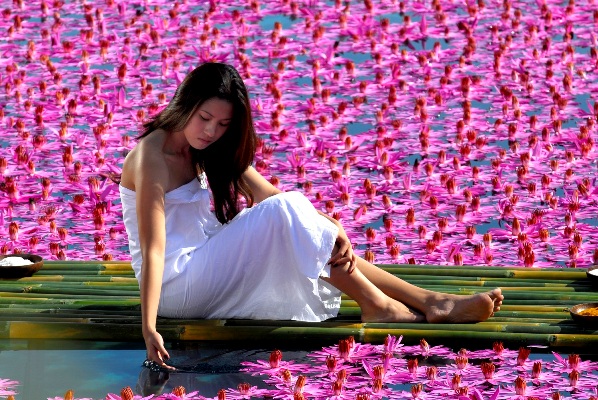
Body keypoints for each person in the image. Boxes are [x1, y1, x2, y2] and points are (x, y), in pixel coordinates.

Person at [119, 62, 504, 369]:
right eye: (204, 118)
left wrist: (329, 225)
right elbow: (154, 250)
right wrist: (149, 326)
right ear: (185, 104)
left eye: (223, 125)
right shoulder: (151, 158)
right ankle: (393, 304)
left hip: (204, 265)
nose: (210, 131)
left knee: (291, 214)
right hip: (174, 287)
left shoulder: (206, 145)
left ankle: (426, 300)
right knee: (285, 213)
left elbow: (270, 195)